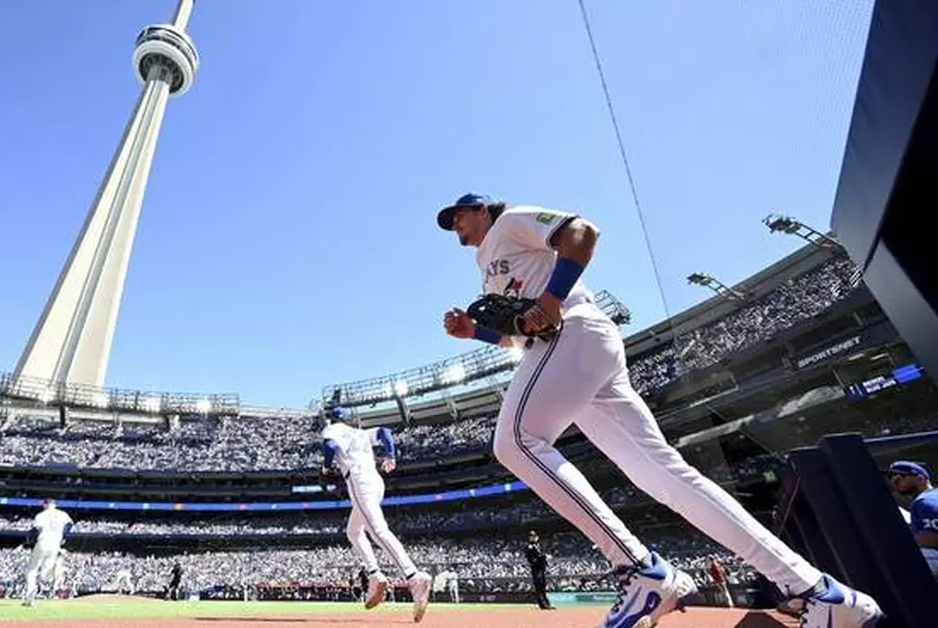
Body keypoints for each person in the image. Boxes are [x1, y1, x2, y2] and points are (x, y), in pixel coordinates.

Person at [436, 193, 884, 628]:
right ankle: (819, 592)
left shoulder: (510, 220)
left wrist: (551, 300)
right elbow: (520, 337)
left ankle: (640, 569)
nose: (454, 225)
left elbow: (581, 233)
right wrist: (475, 333)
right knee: (664, 476)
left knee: (516, 442)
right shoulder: (488, 266)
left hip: (572, 331)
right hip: (566, 351)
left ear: (481, 209)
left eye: (458, 216)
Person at [321, 406, 432, 622]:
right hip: (375, 481)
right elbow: (385, 433)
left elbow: (330, 445)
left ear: (333, 420)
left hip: (359, 481)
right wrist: (390, 456)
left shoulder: (332, 429)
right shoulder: (359, 432)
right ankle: (375, 575)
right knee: (353, 531)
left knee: (378, 530)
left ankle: (413, 576)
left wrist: (326, 468)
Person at [884, 460, 938, 580]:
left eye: (900, 477)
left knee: (899, 558)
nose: (894, 482)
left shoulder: (925, 501)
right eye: (892, 478)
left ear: (921, 479)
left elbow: (931, 538)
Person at [22, 499, 72, 607]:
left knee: (31, 569)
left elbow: (35, 531)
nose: (43, 506)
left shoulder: (41, 515)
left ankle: (31, 591)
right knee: (45, 573)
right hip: (55, 545)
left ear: (47, 504)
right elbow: (69, 525)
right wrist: (64, 536)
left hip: (43, 542)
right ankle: (51, 573)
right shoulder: (63, 514)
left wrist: (28, 541)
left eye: (44, 504)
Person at [524, 531, 554, 610]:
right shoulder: (529, 546)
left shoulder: (539, 545)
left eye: (534, 536)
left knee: (543, 585)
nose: (532, 537)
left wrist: (544, 558)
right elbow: (530, 558)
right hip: (536, 568)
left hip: (541, 568)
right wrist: (539, 558)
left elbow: (542, 553)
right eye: (531, 536)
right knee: (539, 586)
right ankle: (543, 604)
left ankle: (547, 603)